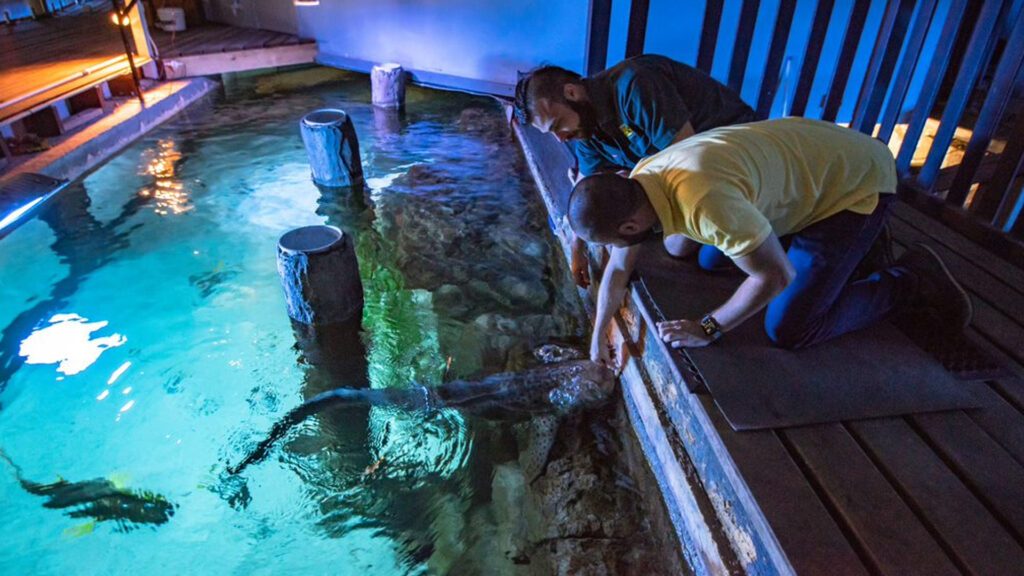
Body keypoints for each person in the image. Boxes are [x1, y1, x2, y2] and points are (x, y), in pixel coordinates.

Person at [566, 117, 973, 365]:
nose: (620, 249)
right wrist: (599, 331)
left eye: (616, 240)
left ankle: (909, 279)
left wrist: (707, 327)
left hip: (856, 185)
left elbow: (776, 275)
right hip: (815, 157)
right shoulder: (643, 174)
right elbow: (620, 268)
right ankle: (855, 253)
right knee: (710, 260)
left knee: (790, 329)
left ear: (630, 227)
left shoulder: (706, 205)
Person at [513, 54, 755, 287]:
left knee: (680, 248)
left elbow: (688, 159)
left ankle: (761, 222)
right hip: (699, 166)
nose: (561, 138)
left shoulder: (636, 85)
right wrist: (577, 246)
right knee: (678, 244)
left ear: (572, 92)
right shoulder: (584, 124)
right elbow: (587, 187)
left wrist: (632, 180)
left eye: (557, 125)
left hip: (737, 155)